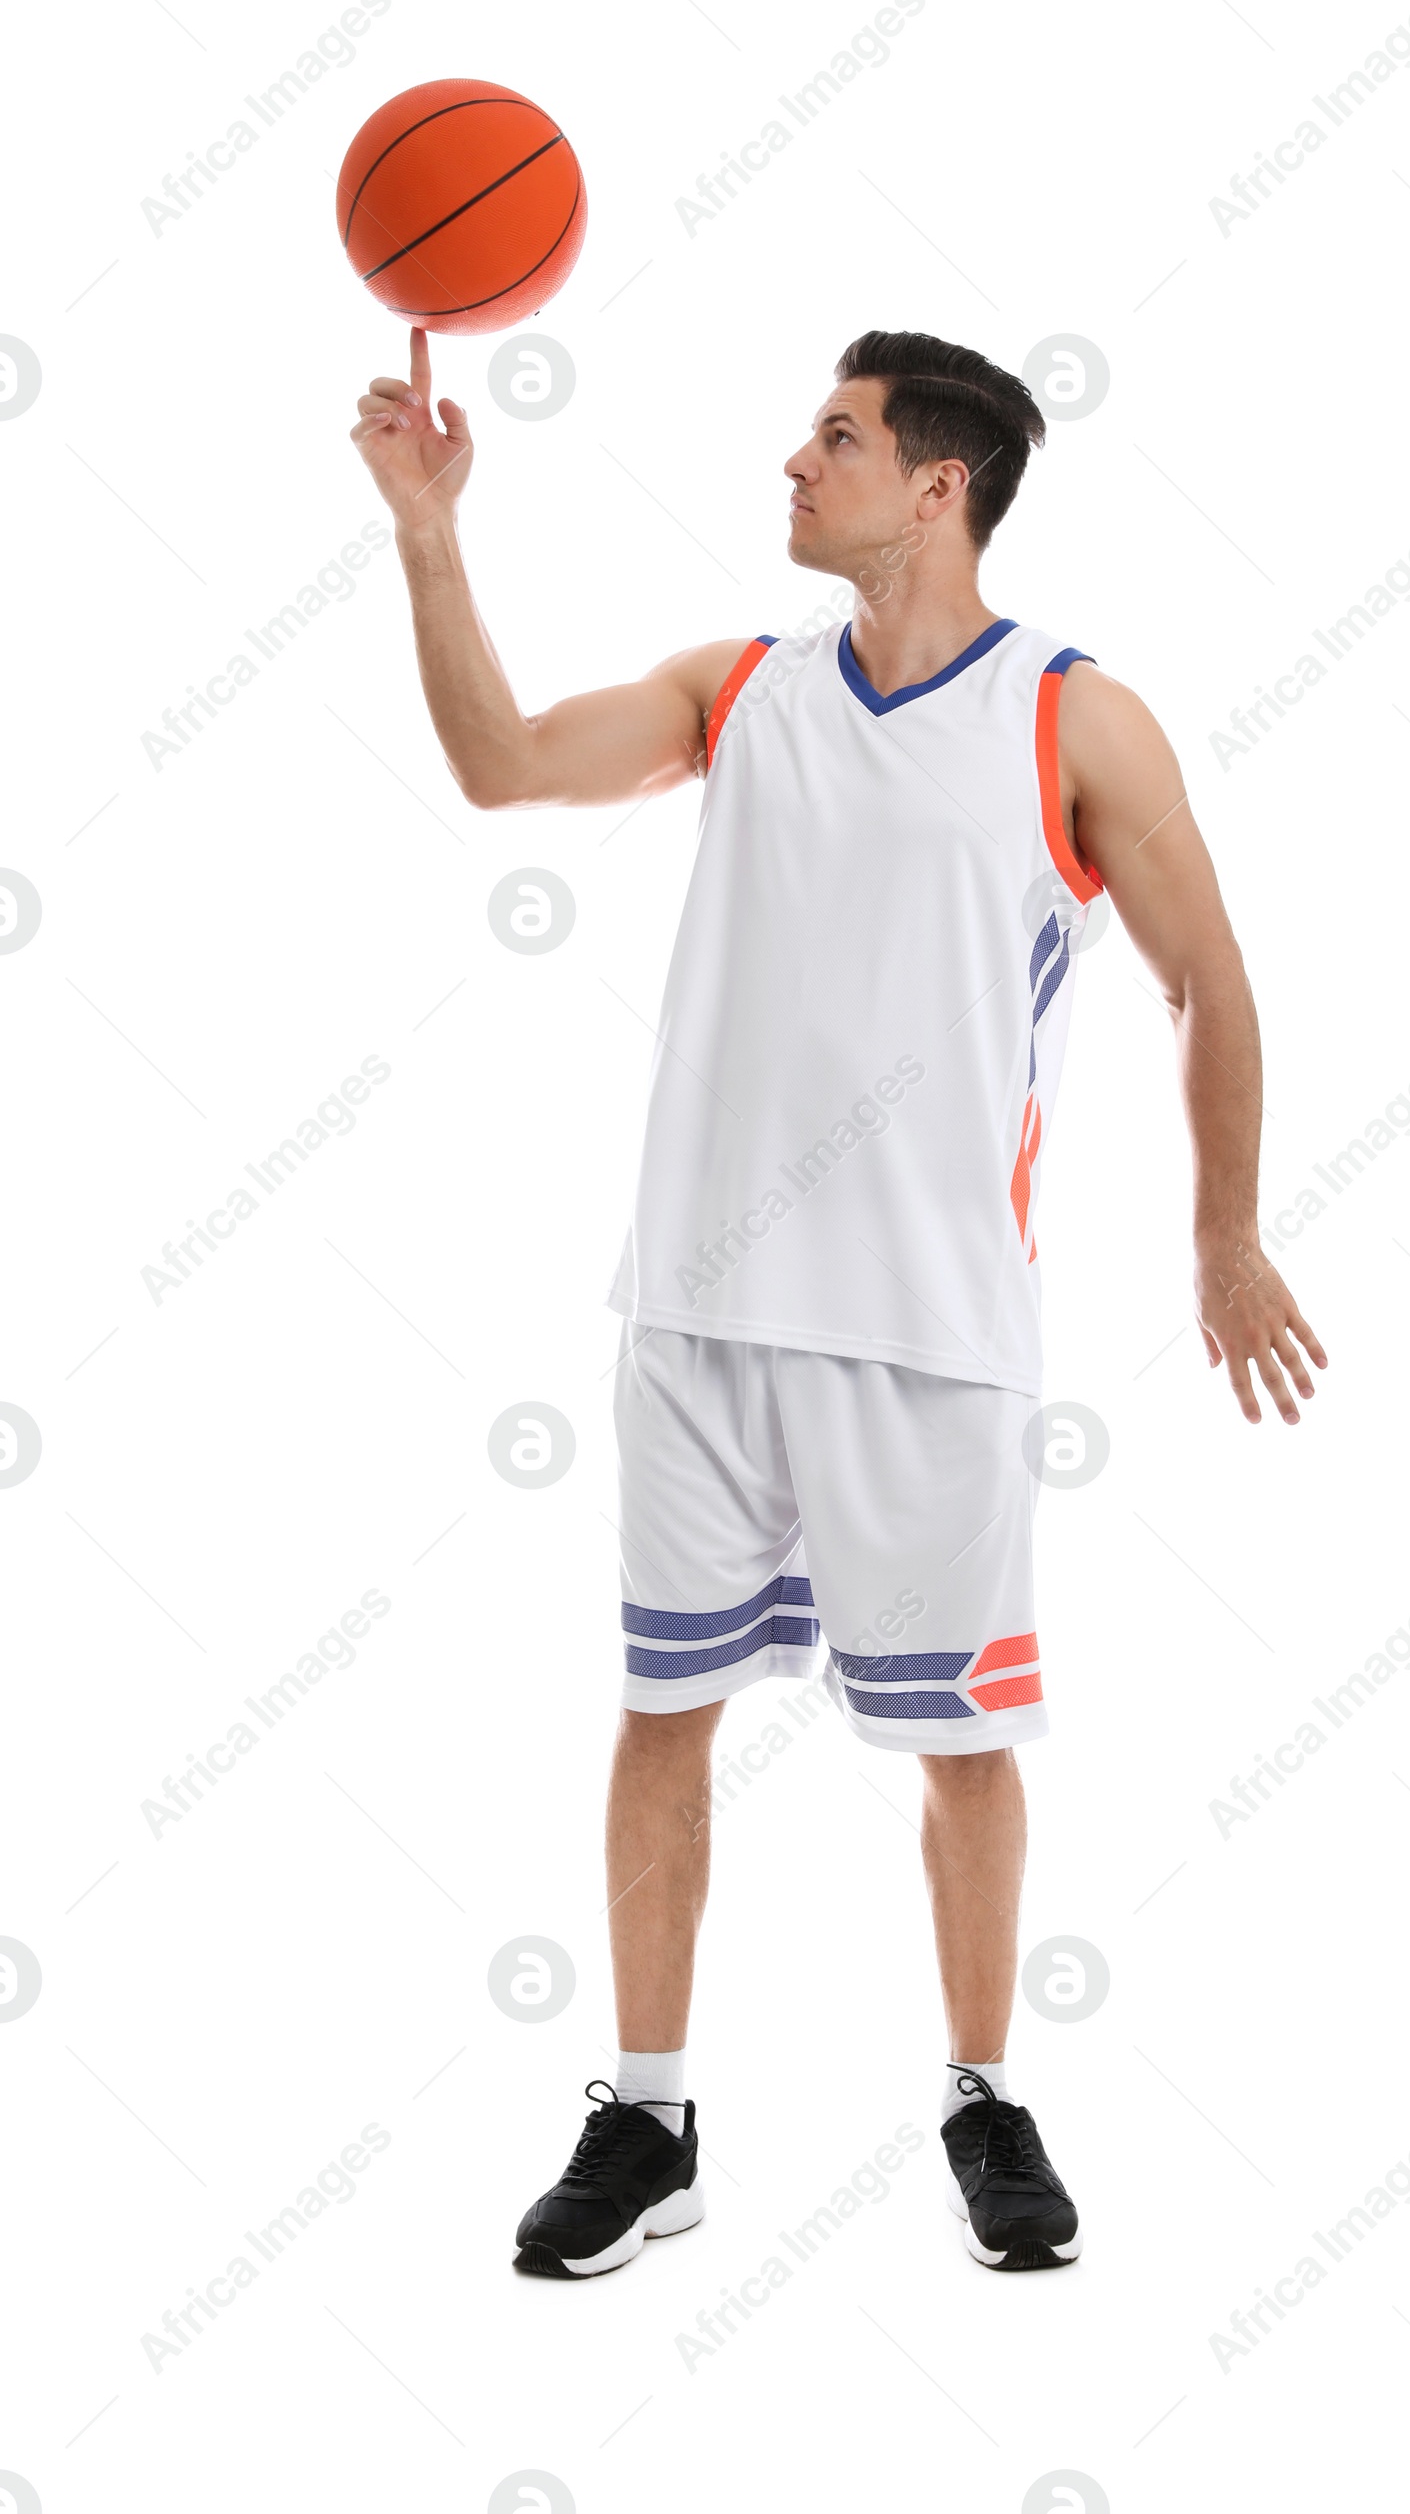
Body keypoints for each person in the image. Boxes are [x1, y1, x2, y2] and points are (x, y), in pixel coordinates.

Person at [351, 325, 1326, 2277]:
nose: (793, 464)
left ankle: (979, 2097)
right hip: (702, 1313)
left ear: (937, 483)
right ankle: (645, 2117)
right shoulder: (742, 691)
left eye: (835, 438)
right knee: (662, 1710)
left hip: (930, 1327)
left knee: (959, 1746)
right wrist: (429, 536)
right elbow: (502, 766)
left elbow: (1208, 975)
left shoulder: (1072, 718)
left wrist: (1222, 1235)